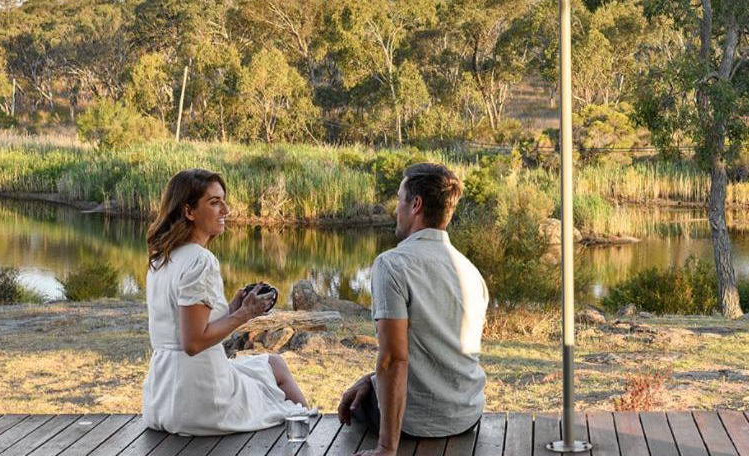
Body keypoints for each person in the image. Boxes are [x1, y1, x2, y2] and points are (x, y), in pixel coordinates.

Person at [142, 168, 309, 435]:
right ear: (189, 211)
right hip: (203, 399)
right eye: (214, 202)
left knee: (272, 364)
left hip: (161, 400)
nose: (226, 210)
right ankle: (307, 432)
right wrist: (244, 314)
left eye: (223, 201)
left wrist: (232, 308)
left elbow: (184, 328)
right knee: (277, 378)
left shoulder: (161, 259)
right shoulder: (200, 260)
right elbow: (193, 343)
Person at [338, 162, 489, 456]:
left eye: (399, 200)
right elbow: (438, 352)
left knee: (352, 409)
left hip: (413, 423)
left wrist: (386, 448)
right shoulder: (470, 271)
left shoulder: (392, 265)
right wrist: (371, 380)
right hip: (466, 417)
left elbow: (394, 358)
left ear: (416, 205)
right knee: (365, 390)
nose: (396, 210)